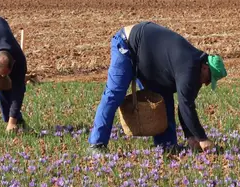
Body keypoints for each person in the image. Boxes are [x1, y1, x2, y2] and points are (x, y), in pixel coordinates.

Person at [88, 21, 227, 154]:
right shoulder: (189, 67)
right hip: (127, 44)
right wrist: (202, 139)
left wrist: (191, 137)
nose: (207, 83)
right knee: (114, 93)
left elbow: (185, 104)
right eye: (209, 79)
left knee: (163, 98)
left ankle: (167, 145)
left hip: (150, 59)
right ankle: (97, 144)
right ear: (205, 67)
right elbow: (186, 106)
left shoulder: (196, 70)